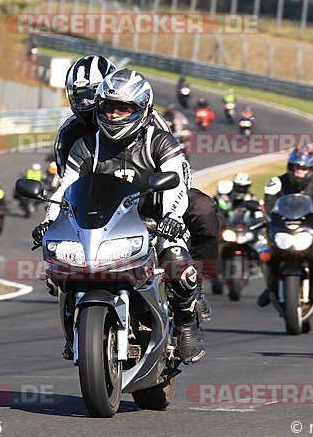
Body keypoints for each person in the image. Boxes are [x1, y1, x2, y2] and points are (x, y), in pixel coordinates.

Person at [34, 69, 206, 365]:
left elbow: (178, 184)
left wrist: (171, 218)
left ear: (141, 110)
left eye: (123, 108)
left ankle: (186, 325)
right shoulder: (86, 145)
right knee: (59, 266)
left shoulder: (161, 141)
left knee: (179, 261)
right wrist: (49, 221)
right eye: (109, 108)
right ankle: (73, 333)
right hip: (103, 225)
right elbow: (66, 188)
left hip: (152, 223)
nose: (114, 115)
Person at [53, 55, 218, 323]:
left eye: (92, 94)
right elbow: (68, 185)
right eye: (79, 95)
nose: (86, 103)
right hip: (101, 202)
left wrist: (170, 215)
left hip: (152, 194)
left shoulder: (153, 126)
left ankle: (194, 285)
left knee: (203, 209)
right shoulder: (71, 135)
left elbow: (176, 170)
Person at [257, 146, 313, 309]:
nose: (299, 172)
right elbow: (267, 205)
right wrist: (263, 217)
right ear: (290, 166)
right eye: (297, 167)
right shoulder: (277, 182)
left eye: (304, 168)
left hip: (311, 229)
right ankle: (270, 286)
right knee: (263, 249)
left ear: (311, 168)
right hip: (283, 229)